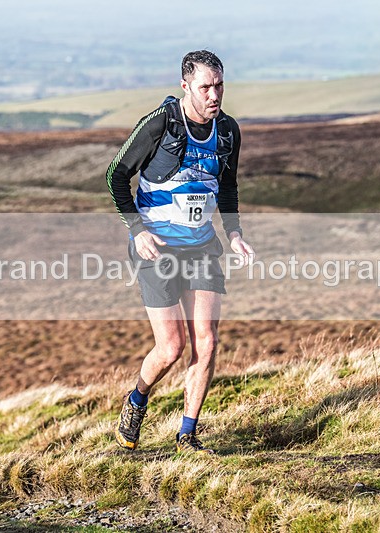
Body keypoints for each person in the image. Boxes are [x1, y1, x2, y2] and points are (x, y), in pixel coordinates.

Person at [106, 50, 254, 454]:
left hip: (202, 246)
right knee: (171, 347)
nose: (214, 95)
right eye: (205, 87)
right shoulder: (161, 123)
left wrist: (234, 233)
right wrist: (136, 231)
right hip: (157, 248)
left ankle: (187, 435)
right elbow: (116, 175)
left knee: (207, 342)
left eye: (219, 85)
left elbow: (227, 186)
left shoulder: (228, 131)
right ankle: (137, 399)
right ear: (185, 85)